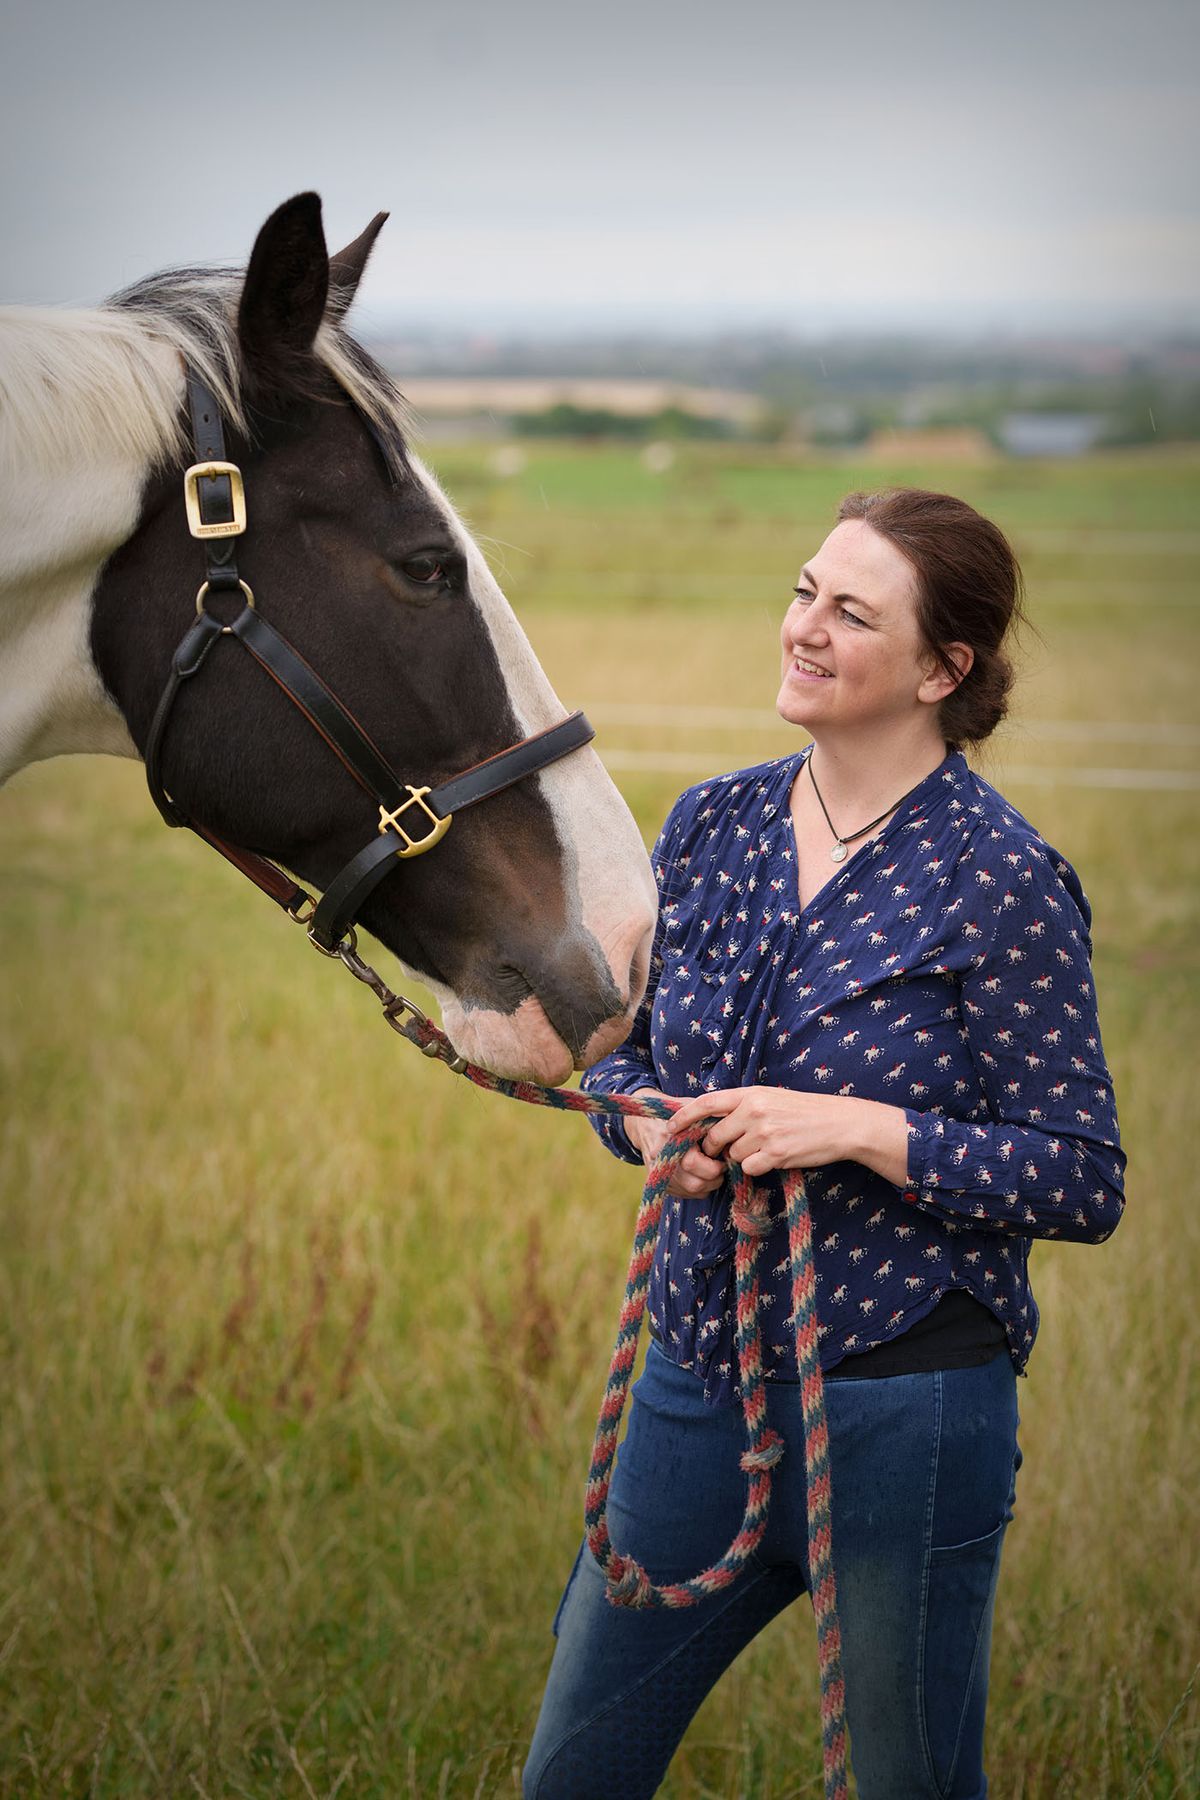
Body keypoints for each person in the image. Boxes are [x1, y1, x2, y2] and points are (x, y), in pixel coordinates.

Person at [523, 488, 1126, 1800]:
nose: (802, 627)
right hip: (689, 1392)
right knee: (573, 1777)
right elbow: (631, 1060)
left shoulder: (1004, 881)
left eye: (850, 613)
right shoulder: (712, 826)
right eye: (804, 590)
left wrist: (862, 1131)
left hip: (903, 1409)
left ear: (940, 670)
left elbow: (1083, 1177)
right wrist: (644, 1130)